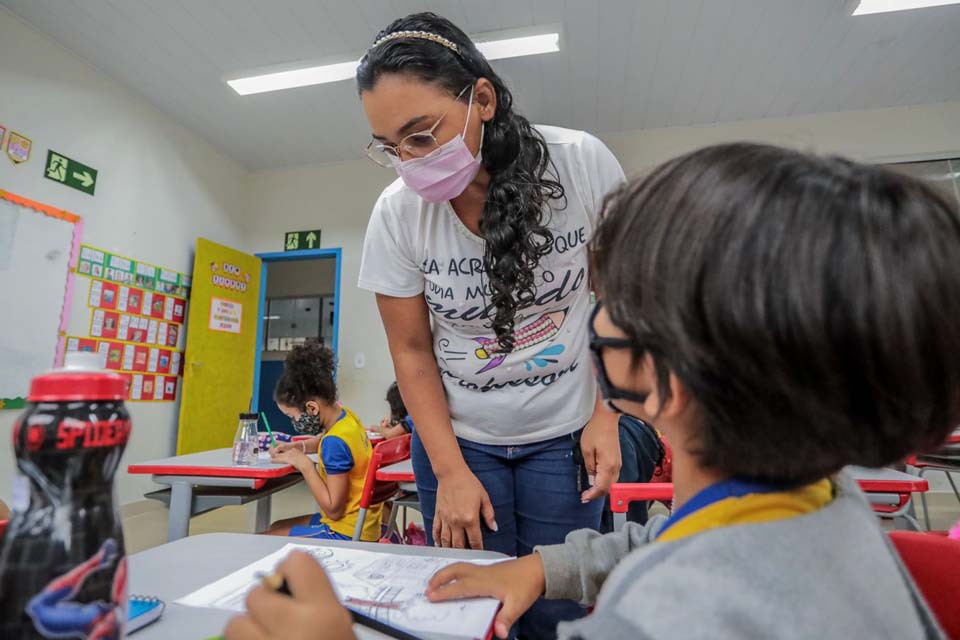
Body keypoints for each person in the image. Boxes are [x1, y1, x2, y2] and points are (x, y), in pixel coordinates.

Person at [224, 143, 960, 640]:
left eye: (612, 296)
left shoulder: (660, 619)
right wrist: (542, 566)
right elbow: (669, 539)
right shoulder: (824, 499)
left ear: (665, 379)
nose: (593, 312)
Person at [355, 12, 625, 635]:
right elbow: (412, 352)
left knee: (555, 608)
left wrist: (607, 413)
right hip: (459, 441)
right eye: (390, 147)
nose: (408, 161)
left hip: (564, 431)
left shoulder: (580, 164)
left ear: (481, 99)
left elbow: (621, 299)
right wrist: (450, 471)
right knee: (470, 613)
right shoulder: (396, 214)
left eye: (421, 135)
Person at [265, 342, 381, 542]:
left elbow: (334, 510)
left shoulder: (334, 443)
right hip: (362, 525)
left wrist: (305, 465)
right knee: (277, 526)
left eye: (292, 417)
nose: (293, 422)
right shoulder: (346, 418)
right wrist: (297, 447)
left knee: (263, 540)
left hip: (344, 532)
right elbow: (325, 440)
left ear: (312, 408)